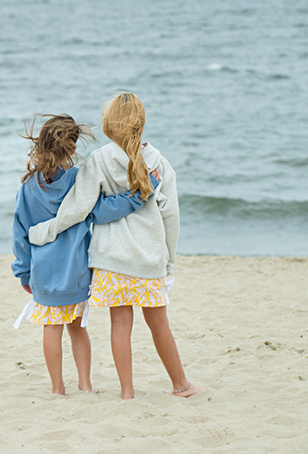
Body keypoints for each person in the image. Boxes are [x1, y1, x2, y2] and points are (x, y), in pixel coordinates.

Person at [29, 93, 203, 399]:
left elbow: (78, 209)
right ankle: (181, 385)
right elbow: (171, 217)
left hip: (111, 260)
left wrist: (45, 231)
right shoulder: (158, 163)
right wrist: (169, 261)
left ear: (108, 124)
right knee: (159, 324)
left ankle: (126, 391)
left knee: (120, 324)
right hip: (149, 259)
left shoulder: (99, 160)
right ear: (141, 124)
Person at [11, 113, 152, 395]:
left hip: (43, 271)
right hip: (75, 270)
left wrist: (23, 272)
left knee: (51, 328)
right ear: (72, 148)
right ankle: (85, 385)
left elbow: (20, 232)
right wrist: (138, 196)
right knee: (77, 328)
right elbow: (101, 210)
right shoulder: (78, 179)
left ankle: (57, 388)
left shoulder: (28, 187)